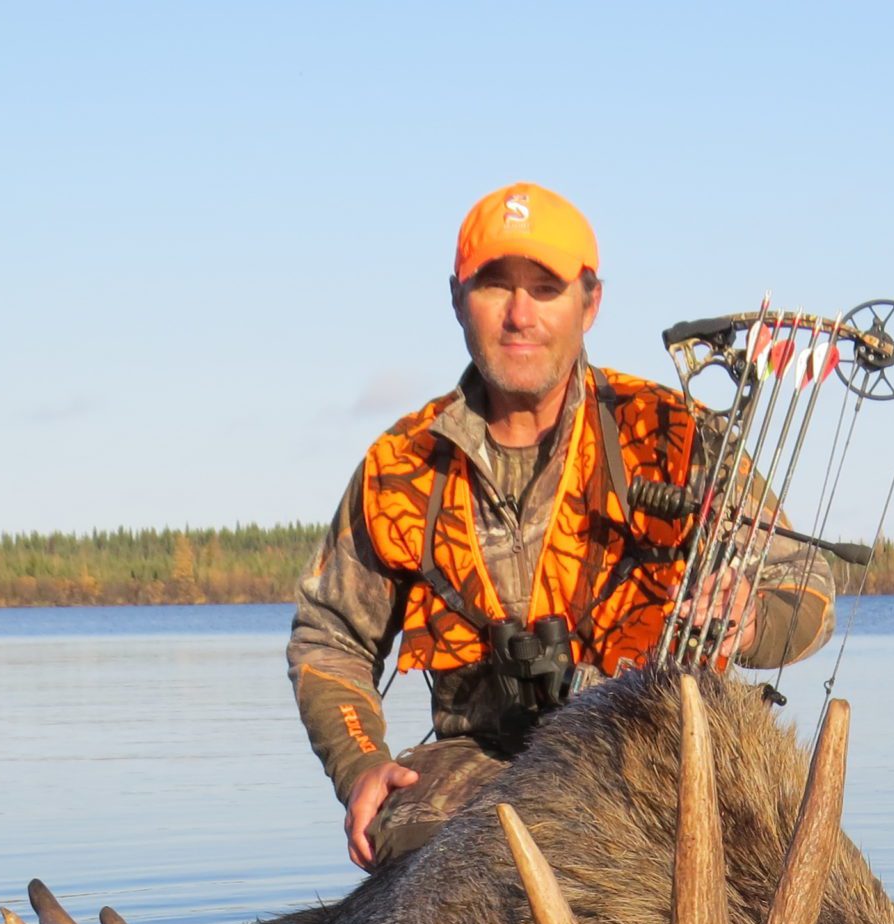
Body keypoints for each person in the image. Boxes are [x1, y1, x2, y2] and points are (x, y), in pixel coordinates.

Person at [288, 181, 836, 870]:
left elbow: (809, 586)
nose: (520, 315)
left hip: (657, 751)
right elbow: (329, 633)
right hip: (480, 766)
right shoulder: (403, 464)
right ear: (458, 298)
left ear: (590, 302)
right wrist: (360, 761)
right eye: (494, 285)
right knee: (426, 842)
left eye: (545, 288)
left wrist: (752, 619)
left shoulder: (672, 435)